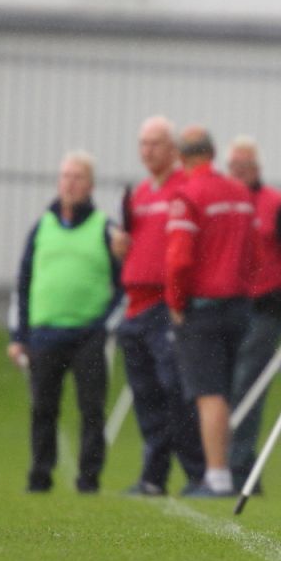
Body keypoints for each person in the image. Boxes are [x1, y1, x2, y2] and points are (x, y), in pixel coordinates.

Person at [8, 151, 122, 493]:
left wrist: (106, 324)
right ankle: (40, 475)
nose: (70, 183)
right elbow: (23, 282)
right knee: (43, 408)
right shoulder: (41, 227)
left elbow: (123, 284)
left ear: (90, 184)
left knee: (91, 409)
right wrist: (18, 335)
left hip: (89, 333)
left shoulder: (106, 229)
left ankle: (89, 478)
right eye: (65, 176)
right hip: (44, 333)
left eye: (77, 177)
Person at [115, 117, 205, 496]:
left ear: (172, 149)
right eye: (143, 143)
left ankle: (198, 471)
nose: (148, 150)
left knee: (175, 390)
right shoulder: (137, 194)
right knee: (145, 394)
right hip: (134, 308)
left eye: (155, 143)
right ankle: (154, 474)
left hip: (165, 306)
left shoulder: (183, 188)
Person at [165, 126, 255, 497]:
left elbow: (178, 259)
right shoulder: (239, 193)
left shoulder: (187, 195)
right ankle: (229, 467)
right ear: (213, 152)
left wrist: (175, 302)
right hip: (239, 306)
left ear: (181, 157)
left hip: (203, 308)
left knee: (209, 393)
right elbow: (253, 252)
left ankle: (217, 476)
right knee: (227, 392)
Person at [225, 136, 281, 490]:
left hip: (264, 310)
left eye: (244, 167)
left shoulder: (275, 206)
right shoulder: (223, 207)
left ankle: (238, 470)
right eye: (233, 167)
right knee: (224, 389)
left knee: (247, 389)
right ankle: (233, 468)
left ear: (256, 169)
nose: (238, 173)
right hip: (227, 308)